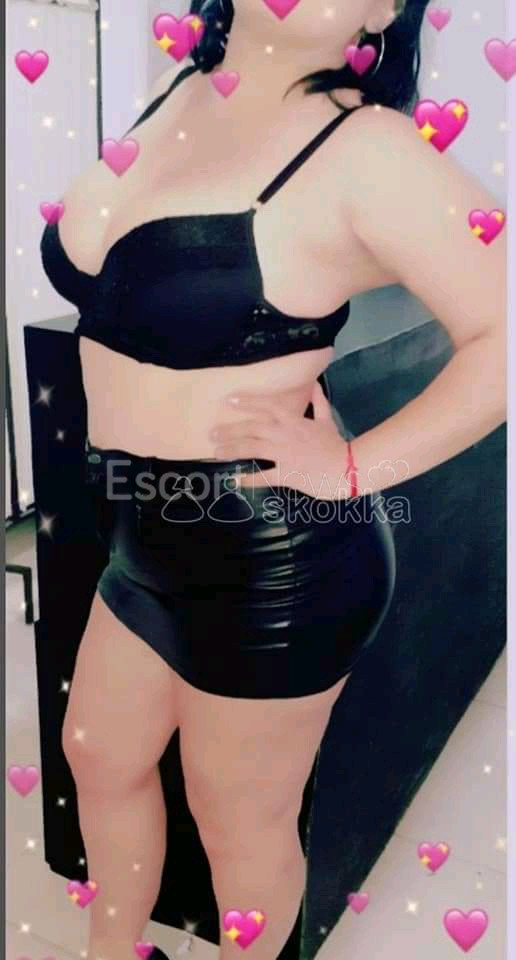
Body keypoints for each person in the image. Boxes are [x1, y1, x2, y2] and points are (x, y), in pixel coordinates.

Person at [39, 1, 506, 959]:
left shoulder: (368, 149)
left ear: (385, 10)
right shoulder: (181, 91)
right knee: (98, 752)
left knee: (238, 823)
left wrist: (352, 468)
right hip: (137, 532)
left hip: (270, 557)